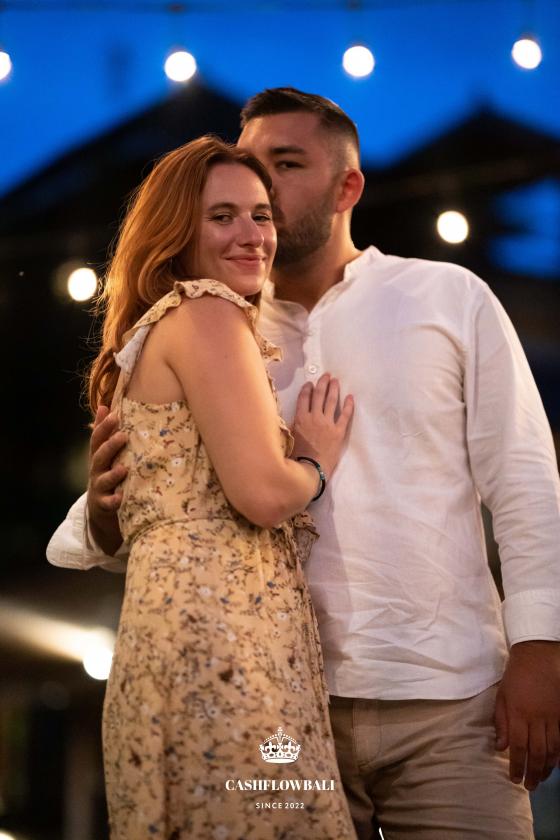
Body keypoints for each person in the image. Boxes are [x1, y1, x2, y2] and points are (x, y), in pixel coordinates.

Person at [47, 89, 560, 840]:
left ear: (347, 186)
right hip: (277, 700)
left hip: (449, 694)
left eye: (285, 166)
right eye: (250, 168)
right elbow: (154, 516)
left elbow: (524, 477)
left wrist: (541, 646)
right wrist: (100, 507)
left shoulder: (446, 296)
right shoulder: (215, 319)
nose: (262, 188)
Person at [51, 135, 357, 839]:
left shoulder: (155, 330)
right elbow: (263, 495)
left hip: (165, 639)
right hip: (223, 643)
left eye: (261, 215)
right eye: (222, 216)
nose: (252, 235)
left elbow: (131, 520)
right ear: (176, 232)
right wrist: (313, 459)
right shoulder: (207, 311)